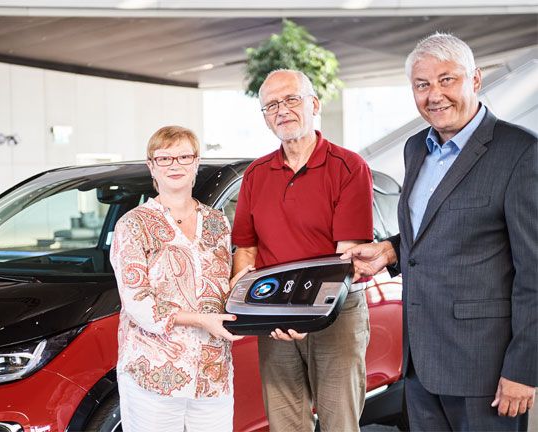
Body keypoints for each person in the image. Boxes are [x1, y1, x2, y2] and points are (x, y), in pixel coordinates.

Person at [342, 33, 537, 431]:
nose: (435, 95)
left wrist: (525, 367)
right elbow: (437, 229)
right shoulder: (417, 148)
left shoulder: (521, 152)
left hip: (486, 370)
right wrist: (391, 252)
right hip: (420, 364)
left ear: (476, 80)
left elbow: (534, 272)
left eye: (447, 80)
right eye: (422, 84)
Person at [231, 69, 374, 432]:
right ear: (264, 117)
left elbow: (347, 257)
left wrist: (303, 313)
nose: (282, 110)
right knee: (285, 424)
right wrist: (254, 305)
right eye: (271, 105)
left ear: (313, 104)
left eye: (291, 99)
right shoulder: (256, 174)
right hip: (274, 319)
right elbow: (245, 249)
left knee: (338, 422)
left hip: (334, 313)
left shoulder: (348, 167)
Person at [109, 125, 248, 432]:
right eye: (164, 158)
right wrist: (200, 320)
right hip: (154, 374)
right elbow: (138, 302)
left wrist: (245, 286)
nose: (175, 165)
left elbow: (220, 289)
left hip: (212, 371)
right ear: (151, 166)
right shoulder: (133, 225)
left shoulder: (217, 222)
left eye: (184, 156)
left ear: (196, 162)